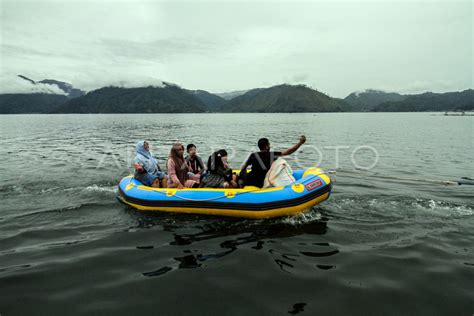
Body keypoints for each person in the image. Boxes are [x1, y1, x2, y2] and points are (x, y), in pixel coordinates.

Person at [240, 135, 306, 188]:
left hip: (249, 180)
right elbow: (289, 151)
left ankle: (240, 186)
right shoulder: (272, 155)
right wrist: (300, 143)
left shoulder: (253, 155)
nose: (270, 146)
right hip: (260, 183)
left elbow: (243, 167)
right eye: (269, 145)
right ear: (266, 146)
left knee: (241, 172)